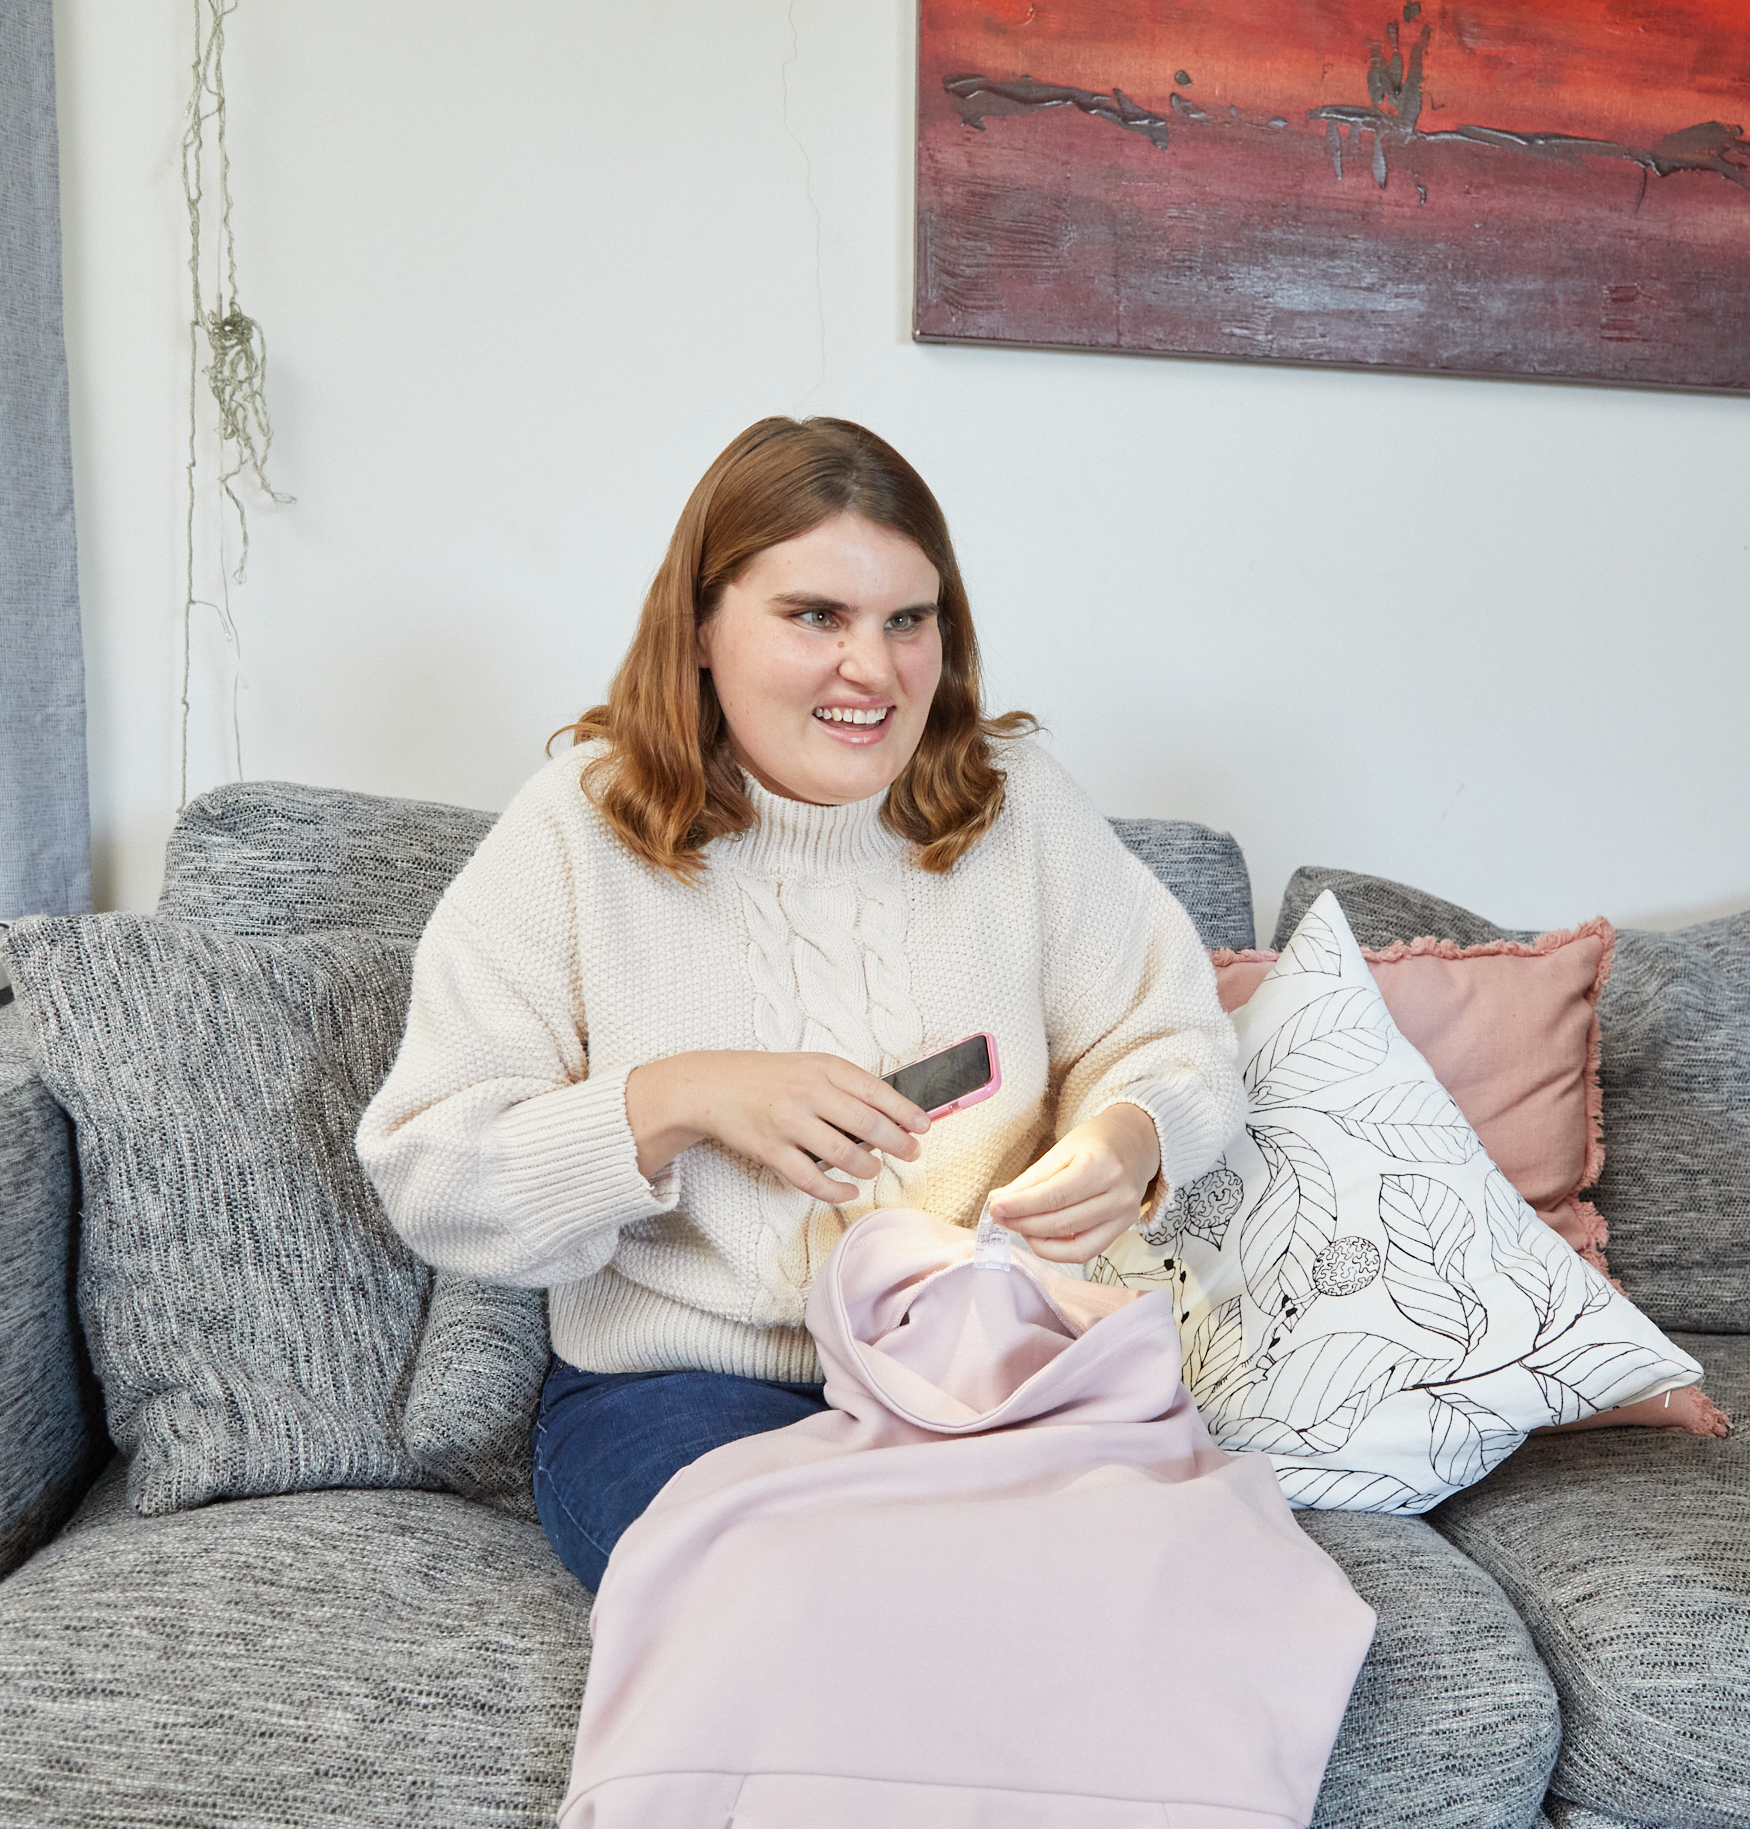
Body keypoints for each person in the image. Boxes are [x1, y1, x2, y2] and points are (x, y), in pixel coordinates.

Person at [357, 415, 1249, 1591]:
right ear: (701, 631)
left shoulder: (1016, 805)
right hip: (680, 1389)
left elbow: (1173, 1036)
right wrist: (678, 1097)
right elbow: (430, 1168)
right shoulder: (578, 824)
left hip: (981, 1358)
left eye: (907, 621)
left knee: (1162, 1588)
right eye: (816, 615)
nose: (874, 671)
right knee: (839, 1601)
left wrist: (1129, 1135)